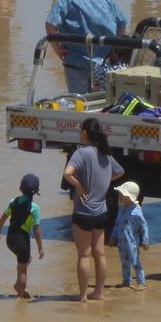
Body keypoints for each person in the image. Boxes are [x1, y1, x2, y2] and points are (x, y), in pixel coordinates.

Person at [62, 119, 125, 302]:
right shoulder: (105, 154)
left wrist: (79, 186)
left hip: (83, 212)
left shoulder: (80, 153)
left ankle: (82, 296)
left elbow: (67, 174)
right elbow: (120, 171)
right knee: (100, 253)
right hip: (101, 213)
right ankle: (99, 292)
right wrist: (105, 181)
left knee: (84, 255)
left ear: (84, 133)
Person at [45, 0, 128, 94]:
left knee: (78, 100)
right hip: (104, 62)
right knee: (105, 100)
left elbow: (50, 26)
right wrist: (115, 49)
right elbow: (122, 23)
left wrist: (57, 49)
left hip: (76, 60)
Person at [0, 172, 44, 299]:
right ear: (36, 192)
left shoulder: (13, 202)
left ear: (20, 188)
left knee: (25, 261)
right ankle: (20, 292)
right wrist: (40, 247)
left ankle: (19, 285)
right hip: (23, 241)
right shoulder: (34, 208)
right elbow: (36, 230)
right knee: (23, 270)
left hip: (10, 239)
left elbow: (3, 217)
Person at [110, 180, 149, 290]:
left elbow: (143, 226)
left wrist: (145, 241)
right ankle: (126, 281)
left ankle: (141, 282)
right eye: (120, 194)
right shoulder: (121, 209)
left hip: (132, 242)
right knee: (124, 262)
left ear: (130, 196)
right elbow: (117, 224)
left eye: (122, 194)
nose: (120, 196)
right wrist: (113, 237)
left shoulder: (136, 211)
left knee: (135, 261)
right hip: (121, 242)